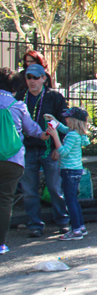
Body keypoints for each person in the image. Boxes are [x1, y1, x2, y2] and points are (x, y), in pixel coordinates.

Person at [16, 63, 69, 237]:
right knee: (29, 190)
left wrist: (57, 146)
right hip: (27, 150)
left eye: (36, 77)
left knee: (54, 187)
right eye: (29, 77)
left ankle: (62, 220)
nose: (32, 81)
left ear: (44, 79)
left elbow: (64, 124)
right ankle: (35, 225)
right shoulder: (20, 97)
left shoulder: (54, 97)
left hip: (49, 149)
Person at [0, 68, 45, 254]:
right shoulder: (18, 106)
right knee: (5, 201)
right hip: (12, 160)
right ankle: (1, 243)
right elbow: (31, 128)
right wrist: (43, 134)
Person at [46, 108, 92, 240]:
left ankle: (76, 230)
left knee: (70, 201)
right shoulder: (77, 133)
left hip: (69, 171)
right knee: (74, 200)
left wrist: (55, 136)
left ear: (73, 120)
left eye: (67, 118)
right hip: (76, 170)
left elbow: (63, 151)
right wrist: (54, 121)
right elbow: (64, 129)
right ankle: (80, 226)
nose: (65, 120)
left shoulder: (72, 135)